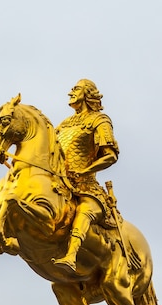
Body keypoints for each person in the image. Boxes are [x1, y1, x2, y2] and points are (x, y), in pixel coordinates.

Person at [52, 79, 120, 272]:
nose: (70, 92)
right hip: (62, 184)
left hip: (86, 188)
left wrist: (84, 171)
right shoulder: (64, 124)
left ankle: (71, 256)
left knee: (84, 211)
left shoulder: (99, 120)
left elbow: (111, 155)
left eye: (75, 89)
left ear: (87, 93)